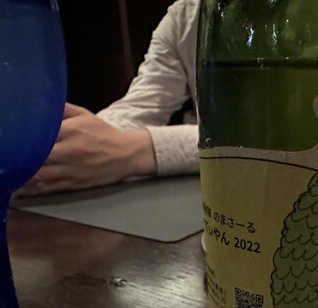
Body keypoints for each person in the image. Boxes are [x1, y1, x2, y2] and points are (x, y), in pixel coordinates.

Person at [18, 0, 201, 196]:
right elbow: (141, 107)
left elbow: (229, 135)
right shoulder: (185, 15)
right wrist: (76, 141)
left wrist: (139, 150)